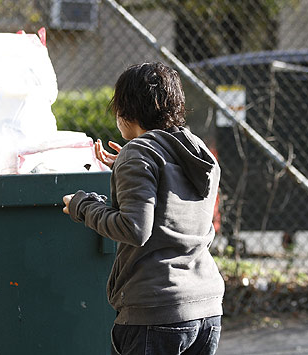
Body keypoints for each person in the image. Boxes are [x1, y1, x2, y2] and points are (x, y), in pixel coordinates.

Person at [62, 62, 224, 355]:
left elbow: (134, 229)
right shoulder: (193, 149)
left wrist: (82, 206)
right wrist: (126, 166)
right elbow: (170, 195)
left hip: (155, 310)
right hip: (205, 308)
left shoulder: (139, 154)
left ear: (125, 109)